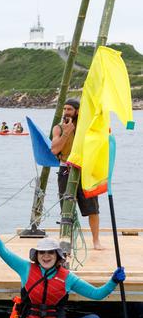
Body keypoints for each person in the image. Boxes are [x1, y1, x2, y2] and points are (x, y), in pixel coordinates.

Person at [51, 98, 102, 250]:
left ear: (77, 111)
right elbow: (54, 150)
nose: (66, 112)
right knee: (66, 208)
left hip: (84, 171)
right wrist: (66, 134)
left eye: (69, 109)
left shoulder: (85, 127)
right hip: (66, 170)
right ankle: (67, 241)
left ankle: (96, 241)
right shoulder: (58, 128)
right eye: (64, 109)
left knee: (92, 208)